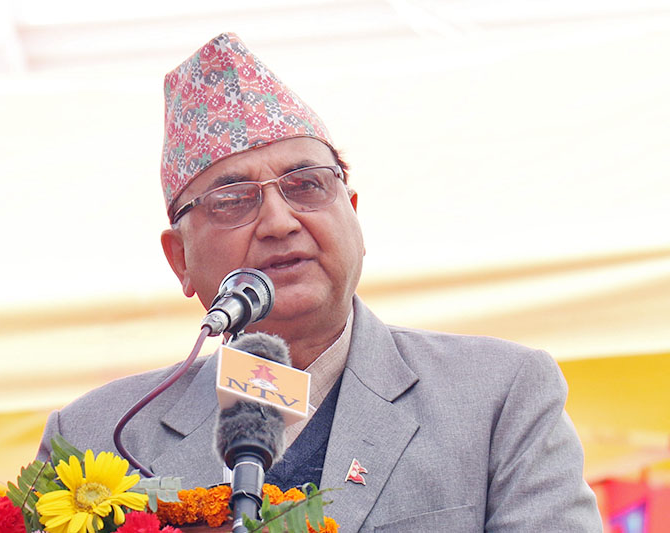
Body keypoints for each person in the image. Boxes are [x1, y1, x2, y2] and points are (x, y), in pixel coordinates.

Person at [38, 32, 602, 531]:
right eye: (233, 199)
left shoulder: (496, 396)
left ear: (353, 214)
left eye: (307, 185)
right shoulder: (97, 437)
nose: (280, 222)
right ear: (179, 259)